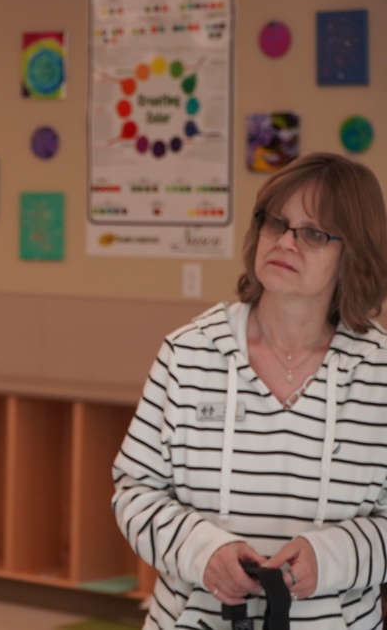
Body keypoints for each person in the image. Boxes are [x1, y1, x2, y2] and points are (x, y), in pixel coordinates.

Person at [112, 151, 387, 629]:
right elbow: (134, 491)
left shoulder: (379, 371)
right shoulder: (189, 352)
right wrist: (203, 551)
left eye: (314, 233)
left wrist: (332, 558)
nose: (285, 241)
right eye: (276, 222)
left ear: (354, 254)